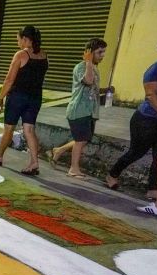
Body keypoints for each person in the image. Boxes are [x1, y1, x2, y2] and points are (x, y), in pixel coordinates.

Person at [0, 26, 48, 175]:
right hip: (35, 98)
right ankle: (34, 162)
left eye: (18, 39)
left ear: (26, 39)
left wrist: (0, 98)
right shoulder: (44, 55)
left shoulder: (21, 55)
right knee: (29, 129)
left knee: (9, 128)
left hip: (18, 97)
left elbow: (9, 80)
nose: (18, 43)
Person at [48, 39, 106, 178]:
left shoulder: (94, 68)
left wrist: (106, 90)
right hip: (79, 110)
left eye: (103, 52)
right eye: (99, 52)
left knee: (85, 139)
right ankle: (73, 169)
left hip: (90, 111)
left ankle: (58, 150)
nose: (102, 55)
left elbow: (93, 88)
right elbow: (88, 81)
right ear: (90, 53)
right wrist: (88, 63)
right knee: (80, 141)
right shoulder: (81, 67)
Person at [109, 56, 157, 201]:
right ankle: (112, 174)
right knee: (136, 152)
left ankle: (153, 189)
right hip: (146, 119)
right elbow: (151, 94)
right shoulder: (156, 68)